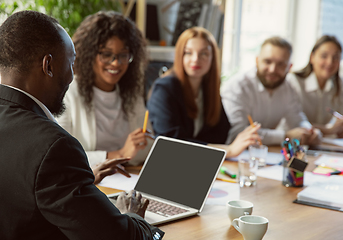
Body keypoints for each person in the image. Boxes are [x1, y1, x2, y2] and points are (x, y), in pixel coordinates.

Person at [0, 10, 164, 239]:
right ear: (48, 65)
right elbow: (118, 237)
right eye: (71, 62)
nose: (72, 75)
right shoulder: (54, 147)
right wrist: (133, 215)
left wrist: (80, 183)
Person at [56, 11, 152, 177]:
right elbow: (60, 155)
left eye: (123, 55)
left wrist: (132, 152)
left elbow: (147, 149)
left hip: (127, 180)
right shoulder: (69, 92)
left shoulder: (132, 93)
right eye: (106, 54)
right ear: (89, 54)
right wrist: (118, 155)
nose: (116, 63)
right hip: (88, 182)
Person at [147, 27, 261, 158]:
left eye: (204, 54)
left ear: (213, 58)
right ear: (180, 56)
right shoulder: (164, 89)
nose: (196, 59)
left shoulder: (208, 88)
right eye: (188, 53)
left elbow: (221, 133)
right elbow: (169, 143)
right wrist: (227, 150)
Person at [221, 36, 322, 146]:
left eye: (281, 64)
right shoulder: (238, 87)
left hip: (265, 155)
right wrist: (285, 136)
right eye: (267, 61)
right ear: (257, 60)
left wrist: (310, 131)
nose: (273, 69)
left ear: (289, 67)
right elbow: (237, 133)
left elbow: (297, 118)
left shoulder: (288, 88)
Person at [287, 35, 343, 138]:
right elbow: (294, 125)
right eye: (324, 56)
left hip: (321, 144)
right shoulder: (294, 81)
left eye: (335, 58)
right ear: (312, 57)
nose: (330, 62)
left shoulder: (339, 83)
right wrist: (330, 130)